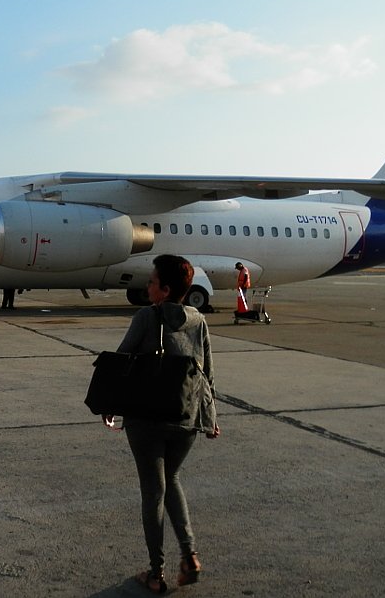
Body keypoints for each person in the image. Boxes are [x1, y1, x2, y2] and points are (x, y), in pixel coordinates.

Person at [104, 254, 220, 593]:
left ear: (165, 290)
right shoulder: (199, 320)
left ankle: (157, 573)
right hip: (186, 417)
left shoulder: (146, 317)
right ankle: (190, 555)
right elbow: (207, 372)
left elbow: (122, 360)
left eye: (152, 281)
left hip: (147, 418)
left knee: (153, 493)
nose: (148, 286)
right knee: (173, 478)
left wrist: (109, 404)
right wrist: (210, 419)